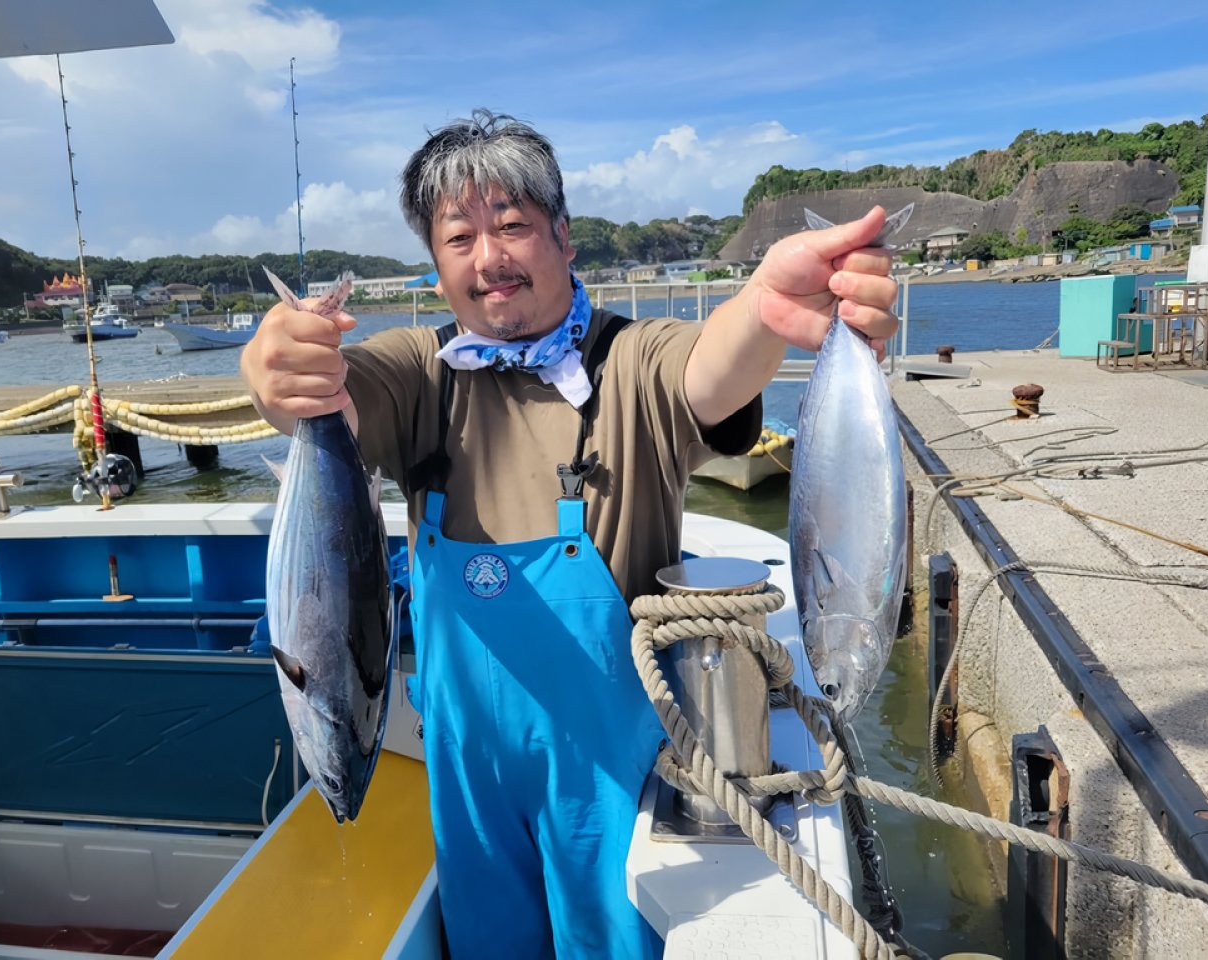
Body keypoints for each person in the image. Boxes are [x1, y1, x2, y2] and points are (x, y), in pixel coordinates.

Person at [241, 109, 898, 959]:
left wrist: (768, 309)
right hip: (468, 784)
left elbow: (710, 365)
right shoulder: (420, 373)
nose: (490, 259)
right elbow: (340, 394)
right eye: (459, 237)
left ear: (563, 236)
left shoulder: (631, 360)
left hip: (612, 784)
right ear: (436, 263)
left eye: (512, 225)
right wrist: (283, 374)